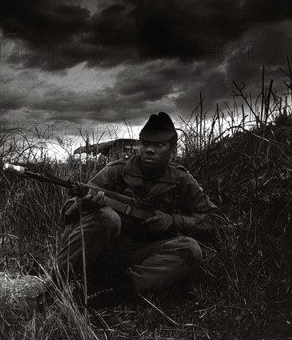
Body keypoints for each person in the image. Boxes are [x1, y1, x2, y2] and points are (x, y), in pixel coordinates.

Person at [56, 112, 218, 305]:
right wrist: (88, 204)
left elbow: (214, 220)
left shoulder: (182, 181)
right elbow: (68, 211)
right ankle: (55, 283)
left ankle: (116, 290)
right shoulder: (116, 171)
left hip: (142, 255)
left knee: (190, 249)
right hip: (103, 250)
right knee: (107, 218)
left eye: (158, 145)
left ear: (173, 152)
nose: (149, 150)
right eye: (145, 143)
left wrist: (171, 221)